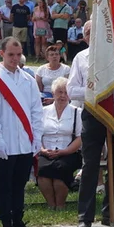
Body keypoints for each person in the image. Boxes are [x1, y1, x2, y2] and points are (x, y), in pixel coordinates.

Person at [68, 21, 114, 227]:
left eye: (97, 31)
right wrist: (95, 90)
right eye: (89, 32)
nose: (94, 35)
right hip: (93, 110)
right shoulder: (81, 58)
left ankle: (111, 213)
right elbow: (72, 90)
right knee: (90, 164)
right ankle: (85, 216)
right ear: (85, 36)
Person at [0, 37, 43, 227]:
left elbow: (36, 110)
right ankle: (6, 224)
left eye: (18, 55)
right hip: (5, 142)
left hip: (25, 141)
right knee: (4, 185)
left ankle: (18, 221)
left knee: (19, 184)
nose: (15, 59)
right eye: (11, 55)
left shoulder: (28, 79)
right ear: (2, 54)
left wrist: (36, 137)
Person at [36, 77, 82, 211]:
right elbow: (36, 135)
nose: (62, 96)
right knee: (42, 170)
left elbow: (80, 138)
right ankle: (51, 205)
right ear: (53, 93)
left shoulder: (76, 112)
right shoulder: (43, 112)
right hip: (46, 151)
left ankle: (60, 205)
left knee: (60, 168)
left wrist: (64, 152)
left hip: (68, 152)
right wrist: (42, 150)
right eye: (59, 92)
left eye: (65, 92)